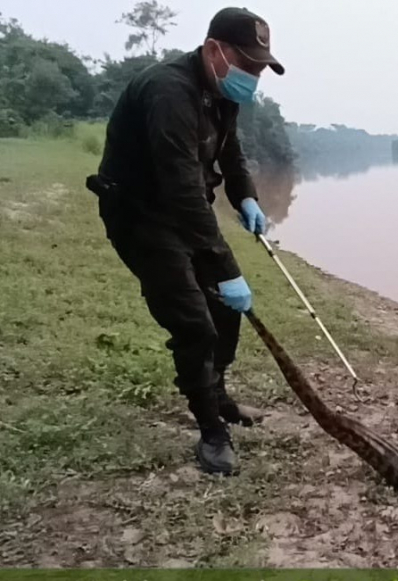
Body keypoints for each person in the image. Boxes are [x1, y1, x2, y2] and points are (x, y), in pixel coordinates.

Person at [87, 7, 285, 476]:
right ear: (215, 50)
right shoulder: (167, 91)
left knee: (226, 308)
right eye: (249, 64)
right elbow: (179, 187)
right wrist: (227, 266)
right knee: (195, 323)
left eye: (260, 67)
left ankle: (218, 395)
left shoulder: (221, 93)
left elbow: (230, 155)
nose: (254, 75)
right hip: (142, 218)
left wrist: (247, 199)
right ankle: (212, 433)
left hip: (184, 213)